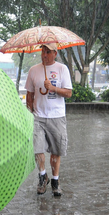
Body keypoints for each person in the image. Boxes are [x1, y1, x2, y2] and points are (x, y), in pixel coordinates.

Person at [25, 43, 72, 196]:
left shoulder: (62, 69)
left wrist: (53, 88)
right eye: (42, 51)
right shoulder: (34, 70)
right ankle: (43, 175)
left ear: (55, 53)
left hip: (57, 117)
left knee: (56, 151)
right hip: (38, 117)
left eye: (47, 52)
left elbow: (68, 93)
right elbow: (30, 94)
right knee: (37, 150)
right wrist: (29, 109)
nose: (44, 55)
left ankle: (56, 181)